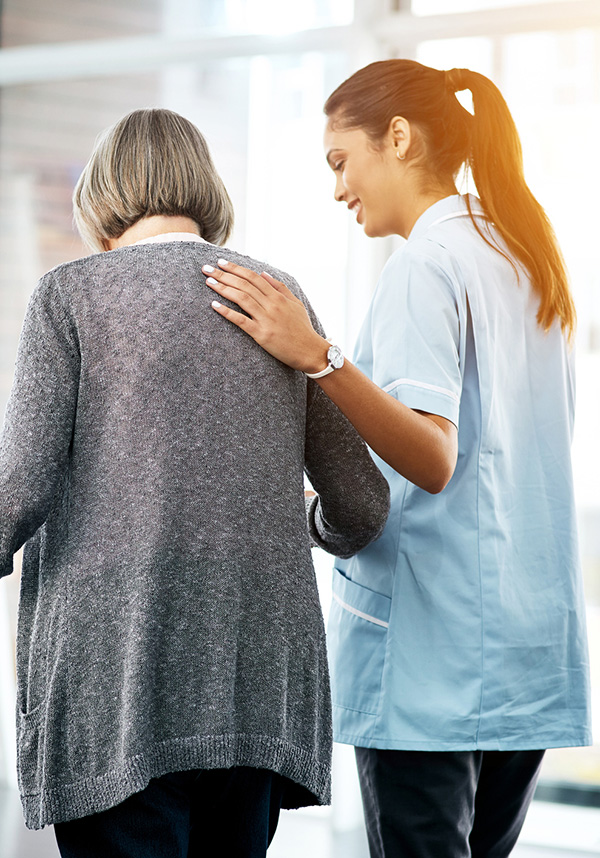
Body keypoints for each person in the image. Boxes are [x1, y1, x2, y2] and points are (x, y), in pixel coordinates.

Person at [202, 60, 592, 858]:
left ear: (401, 139)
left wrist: (316, 357)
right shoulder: (523, 256)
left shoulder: (426, 264)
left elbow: (435, 456)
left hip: (434, 655)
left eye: (340, 160)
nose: (338, 189)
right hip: (520, 647)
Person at [0, 107, 390, 858]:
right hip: (255, 679)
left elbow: (19, 489)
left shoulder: (72, 295)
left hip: (119, 677)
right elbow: (363, 506)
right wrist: (303, 519)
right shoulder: (278, 297)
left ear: (102, 197)